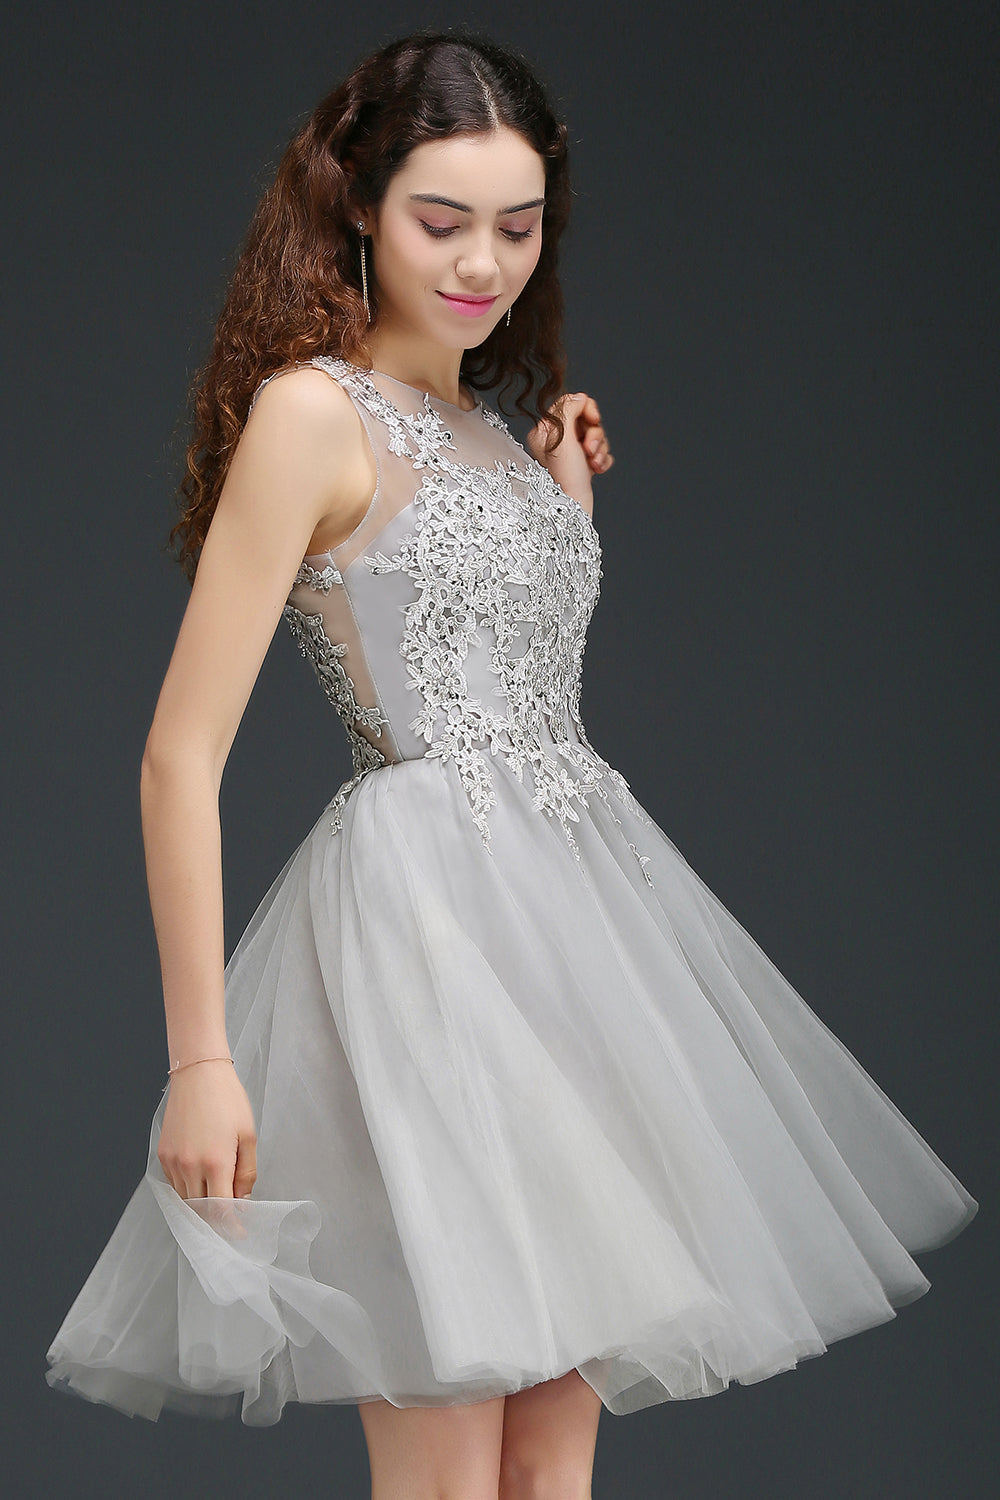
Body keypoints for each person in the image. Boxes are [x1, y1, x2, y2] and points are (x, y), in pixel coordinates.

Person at [45, 28, 977, 1500]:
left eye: (519, 225)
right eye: (442, 221)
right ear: (359, 207)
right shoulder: (312, 413)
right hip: (426, 951)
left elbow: (514, 667)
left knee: (550, 1469)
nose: (484, 262)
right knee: (449, 1472)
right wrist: (200, 1060)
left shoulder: (489, 425)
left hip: (574, 941)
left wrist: (557, 505)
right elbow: (179, 755)